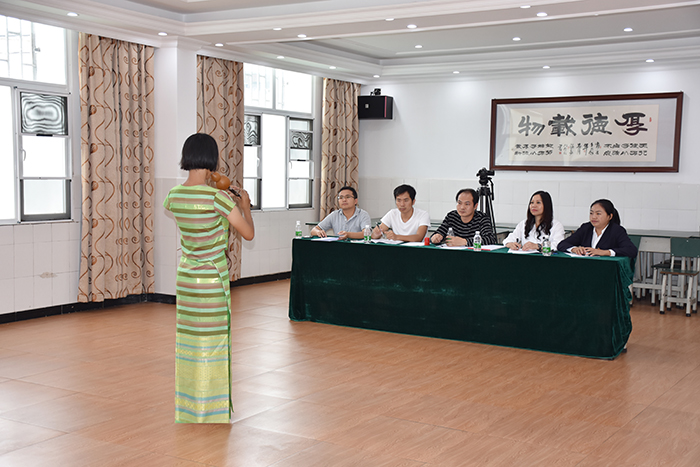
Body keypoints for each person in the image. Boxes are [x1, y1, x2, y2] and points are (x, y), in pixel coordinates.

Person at [163, 133, 255, 423]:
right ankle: (212, 410)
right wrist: (245, 207)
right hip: (212, 279)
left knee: (189, 342)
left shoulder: (173, 195)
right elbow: (248, 234)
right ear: (212, 159)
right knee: (213, 342)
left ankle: (189, 408)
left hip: (187, 277)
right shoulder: (218, 198)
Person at [557, 198, 637, 257]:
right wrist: (574, 249)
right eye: (591, 213)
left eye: (598, 214)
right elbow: (562, 244)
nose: (593, 217)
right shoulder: (586, 228)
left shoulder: (616, 230)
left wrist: (605, 252)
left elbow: (631, 250)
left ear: (610, 216)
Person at [431, 188, 496, 246]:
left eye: (467, 204)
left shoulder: (482, 218)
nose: (462, 207)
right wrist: (436, 237)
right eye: (459, 203)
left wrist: (465, 242)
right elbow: (438, 233)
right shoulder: (452, 216)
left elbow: (490, 239)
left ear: (475, 206)